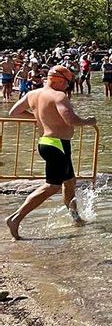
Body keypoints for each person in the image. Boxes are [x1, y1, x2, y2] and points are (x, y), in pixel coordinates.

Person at [5, 66, 97, 240]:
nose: (68, 87)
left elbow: (13, 112)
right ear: (61, 80)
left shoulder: (33, 94)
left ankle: (75, 218)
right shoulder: (58, 95)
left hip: (47, 143)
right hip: (57, 145)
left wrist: (40, 118)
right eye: (68, 83)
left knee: (70, 182)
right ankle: (15, 218)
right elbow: (71, 120)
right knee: (52, 186)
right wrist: (88, 121)